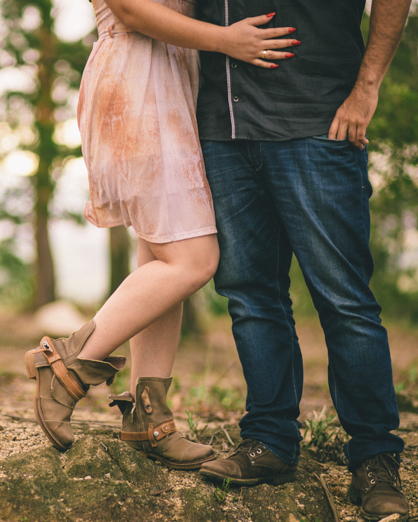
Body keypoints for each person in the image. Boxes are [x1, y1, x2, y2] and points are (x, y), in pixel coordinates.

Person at [24, 0, 298, 469]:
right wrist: (229, 39)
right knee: (193, 259)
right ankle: (68, 365)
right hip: (139, 81)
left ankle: (148, 419)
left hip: (169, 82)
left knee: (159, 256)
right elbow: (130, 9)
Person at [193, 0, 413, 522]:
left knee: (345, 300)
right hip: (223, 128)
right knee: (251, 296)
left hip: (320, 120)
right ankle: (268, 441)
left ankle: (376, 459)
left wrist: (367, 89)